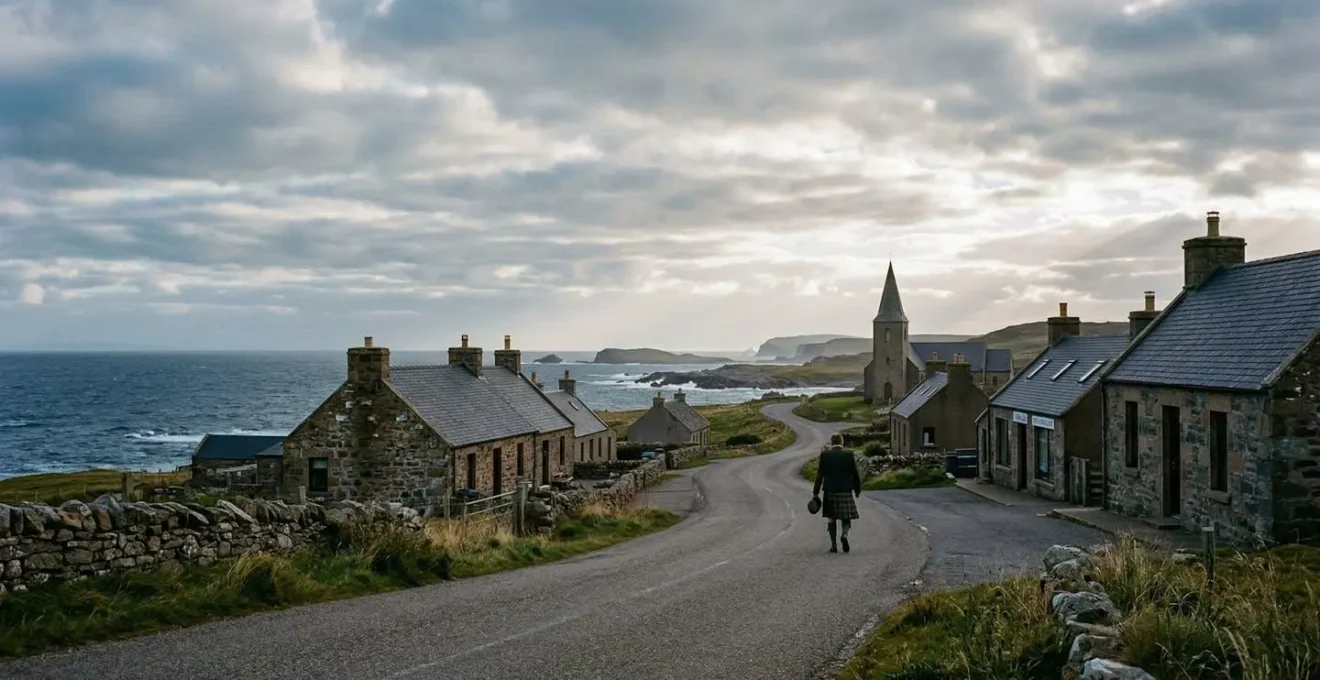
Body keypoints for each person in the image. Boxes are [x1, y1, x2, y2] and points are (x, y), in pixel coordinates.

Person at [811, 433, 862, 553]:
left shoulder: (825, 455)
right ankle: (844, 535)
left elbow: (820, 475)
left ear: (832, 443)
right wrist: (857, 490)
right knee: (846, 517)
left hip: (830, 490)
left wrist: (815, 492)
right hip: (845, 490)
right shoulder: (849, 455)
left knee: (831, 518)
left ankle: (834, 545)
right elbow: (855, 474)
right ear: (842, 442)